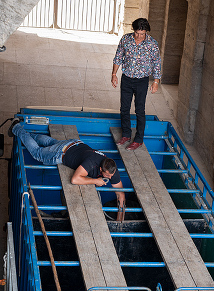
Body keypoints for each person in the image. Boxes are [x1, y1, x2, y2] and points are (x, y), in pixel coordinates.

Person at [9, 120, 125, 212]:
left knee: (50, 143)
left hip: (74, 144)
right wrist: (95, 181)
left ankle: (27, 135)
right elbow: (75, 179)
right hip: (62, 152)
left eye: (111, 175)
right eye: (107, 175)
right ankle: (16, 127)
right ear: (100, 169)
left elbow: (120, 193)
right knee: (38, 153)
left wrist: (120, 219)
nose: (109, 178)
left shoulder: (111, 167)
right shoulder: (91, 163)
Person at [111, 17, 161, 151]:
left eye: (142, 34)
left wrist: (156, 81)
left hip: (142, 80)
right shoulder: (126, 39)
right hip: (127, 78)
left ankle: (138, 139)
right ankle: (126, 135)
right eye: (137, 33)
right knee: (124, 108)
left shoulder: (152, 44)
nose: (139, 36)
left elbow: (157, 63)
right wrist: (114, 74)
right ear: (133, 30)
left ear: (146, 32)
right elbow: (118, 57)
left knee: (139, 110)